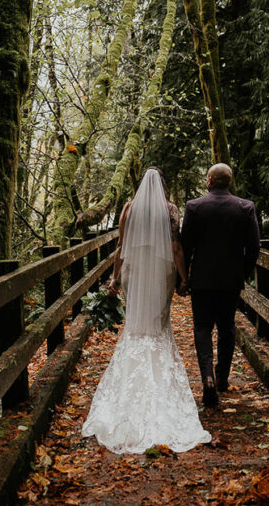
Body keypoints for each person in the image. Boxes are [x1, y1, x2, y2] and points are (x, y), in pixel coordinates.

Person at [81, 168, 211, 453]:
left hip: (133, 270)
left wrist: (115, 278)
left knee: (135, 325)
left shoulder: (128, 208)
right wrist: (183, 279)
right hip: (161, 272)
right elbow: (176, 247)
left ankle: (129, 390)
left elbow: (120, 245)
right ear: (162, 186)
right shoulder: (170, 210)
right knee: (158, 326)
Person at [180, 163, 260, 407]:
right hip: (230, 281)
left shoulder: (194, 207)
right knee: (227, 328)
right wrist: (242, 273)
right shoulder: (245, 207)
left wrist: (184, 278)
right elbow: (254, 247)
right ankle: (223, 377)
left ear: (210, 181)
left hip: (202, 281)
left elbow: (185, 245)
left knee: (202, 329)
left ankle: (207, 377)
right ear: (230, 181)